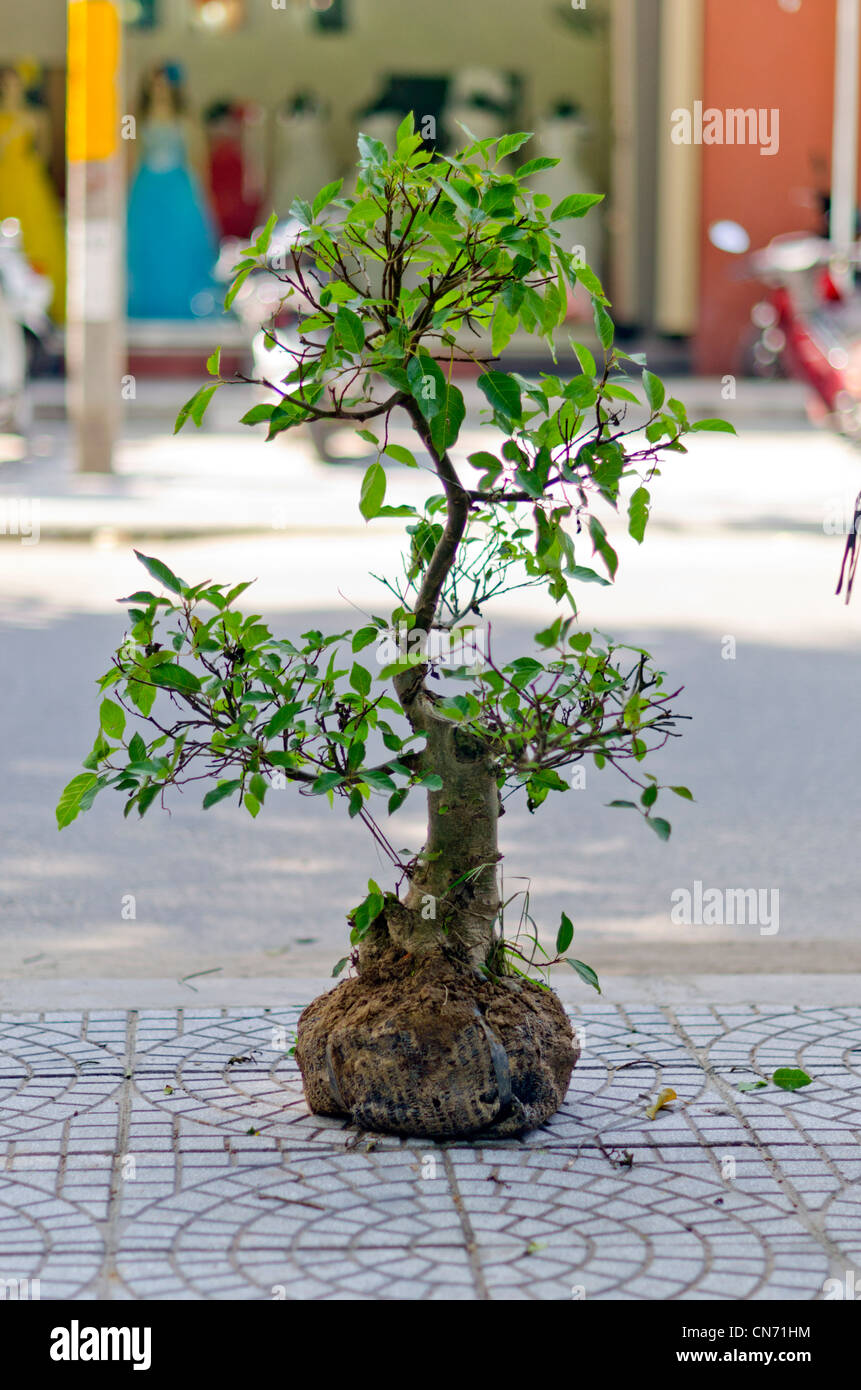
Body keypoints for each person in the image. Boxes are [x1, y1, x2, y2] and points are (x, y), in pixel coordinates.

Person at [127, 63, 219, 319]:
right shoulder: (134, 117)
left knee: (178, 243)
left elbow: (198, 156)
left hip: (177, 189)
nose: (160, 89)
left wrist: (201, 194)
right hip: (146, 187)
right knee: (146, 245)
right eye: (155, 83)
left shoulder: (187, 117)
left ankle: (182, 303)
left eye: (165, 83)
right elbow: (127, 148)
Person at [0, 63, 66, 323]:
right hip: (4, 180)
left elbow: (44, 154)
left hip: (28, 182)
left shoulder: (37, 117)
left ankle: (41, 302)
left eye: (14, 80)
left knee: (36, 238)